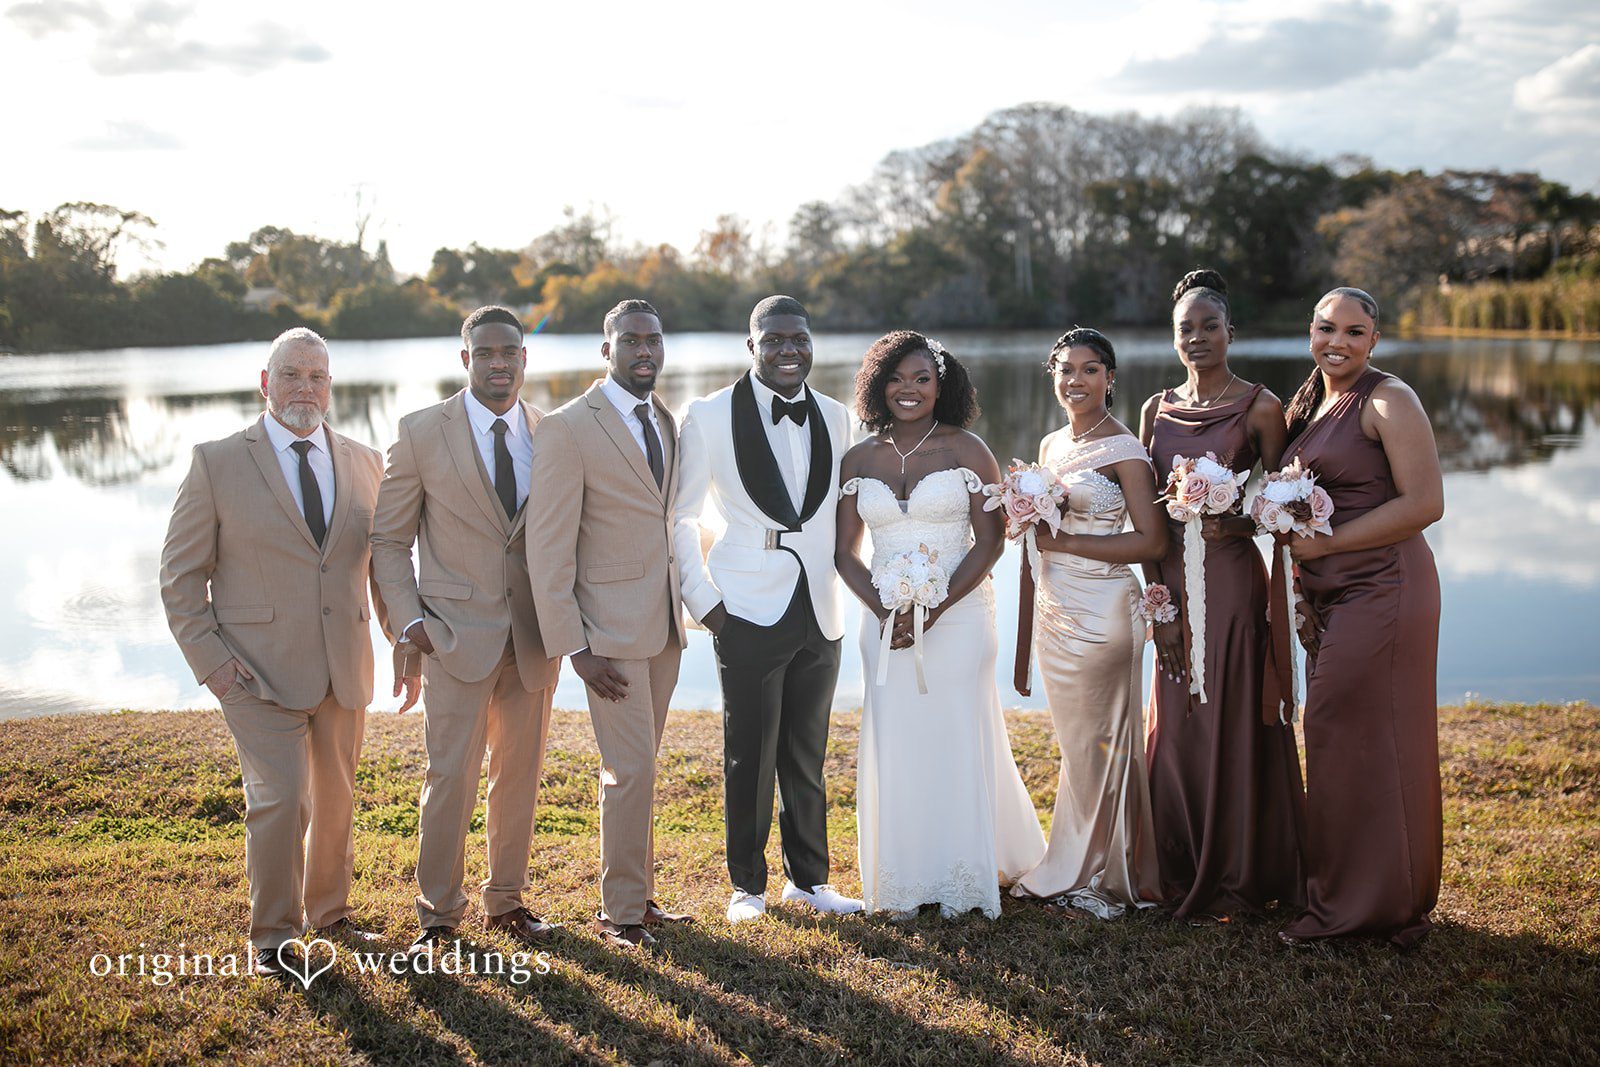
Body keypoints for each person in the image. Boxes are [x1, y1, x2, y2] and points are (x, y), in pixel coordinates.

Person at [159, 327, 385, 978]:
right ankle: (274, 936)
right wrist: (213, 665)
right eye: (291, 374)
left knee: (337, 796)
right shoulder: (217, 462)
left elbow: (382, 564)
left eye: (318, 376)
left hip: (345, 661)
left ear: (331, 387)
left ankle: (332, 910)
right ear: (266, 382)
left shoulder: (367, 461)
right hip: (253, 670)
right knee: (283, 799)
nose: (305, 388)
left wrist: (407, 638)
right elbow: (180, 577)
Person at [369, 306, 562, 955]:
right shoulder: (421, 432)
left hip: (533, 636)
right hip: (452, 635)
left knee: (520, 775)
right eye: (485, 352)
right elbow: (388, 540)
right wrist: (409, 620)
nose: (499, 362)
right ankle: (438, 916)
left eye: (510, 351)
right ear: (465, 359)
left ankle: (505, 901)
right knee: (449, 776)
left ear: (524, 359)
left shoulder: (548, 431)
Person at [836, 331, 1045, 919]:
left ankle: (961, 876)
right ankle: (903, 877)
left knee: (955, 731)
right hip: (883, 623)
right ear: (878, 384)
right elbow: (845, 554)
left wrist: (937, 606)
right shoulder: (860, 458)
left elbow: (991, 542)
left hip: (960, 615)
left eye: (922, 378)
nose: (909, 389)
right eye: (897, 378)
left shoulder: (967, 449)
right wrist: (885, 614)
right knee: (896, 737)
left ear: (941, 385)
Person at [673, 295, 863, 923]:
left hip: (820, 606)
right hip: (744, 605)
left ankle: (809, 880)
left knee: (807, 753)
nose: (789, 350)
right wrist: (706, 605)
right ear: (751, 346)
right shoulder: (707, 415)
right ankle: (747, 888)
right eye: (775, 339)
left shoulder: (836, 416)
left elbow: (846, 509)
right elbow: (680, 517)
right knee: (748, 753)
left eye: (800, 339)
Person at [1276, 288, 1444, 949]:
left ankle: (1363, 907)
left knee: (1351, 729)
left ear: (1375, 338)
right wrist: (1301, 589)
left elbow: (1427, 501)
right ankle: (1365, 894)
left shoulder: (1388, 400)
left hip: (1386, 588)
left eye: (1354, 330)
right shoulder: (1309, 401)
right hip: (1330, 594)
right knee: (1344, 737)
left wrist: (1331, 546)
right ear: (1310, 330)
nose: (1337, 341)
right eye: (1325, 327)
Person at [1138, 270, 1306, 922]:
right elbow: (1149, 518)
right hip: (1173, 577)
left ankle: (1238, 867)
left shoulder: (1261, 406)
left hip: (1235, 583)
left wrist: (1230, 519)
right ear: (1174, 337)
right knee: (1177, 714)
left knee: (1231, 712)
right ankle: (1177, 862)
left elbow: (1283, 505)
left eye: (1211, 326)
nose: (1199, 337)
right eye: (1187, 328)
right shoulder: (1155, 410)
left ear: (1231, 331)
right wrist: (1160, 610)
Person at [527, 299, 691, 951]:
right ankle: (619, 913)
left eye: (654, 338)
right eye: (631, 340)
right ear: (607, 349)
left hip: (665, 628)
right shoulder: (568, 428)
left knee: (644, 766)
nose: (644, 349)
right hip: (608, 639)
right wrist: (576, 647)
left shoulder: (667, 419)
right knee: (628, 770)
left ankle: (641, 899)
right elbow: (547, 546)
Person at [1011, 328, 1167, 919]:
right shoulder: (1051, 446)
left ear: (1110, 378)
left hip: (1105, 611)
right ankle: (1076, 856)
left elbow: (1150, 537)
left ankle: (1106, 871)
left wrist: (1068, 539)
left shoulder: (1125, 450)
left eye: (1090, 370)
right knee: (1077, 745)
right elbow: (1036, 539)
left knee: (1107, 745)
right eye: (1065, 370)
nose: (1076, 381)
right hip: (1057, 609)